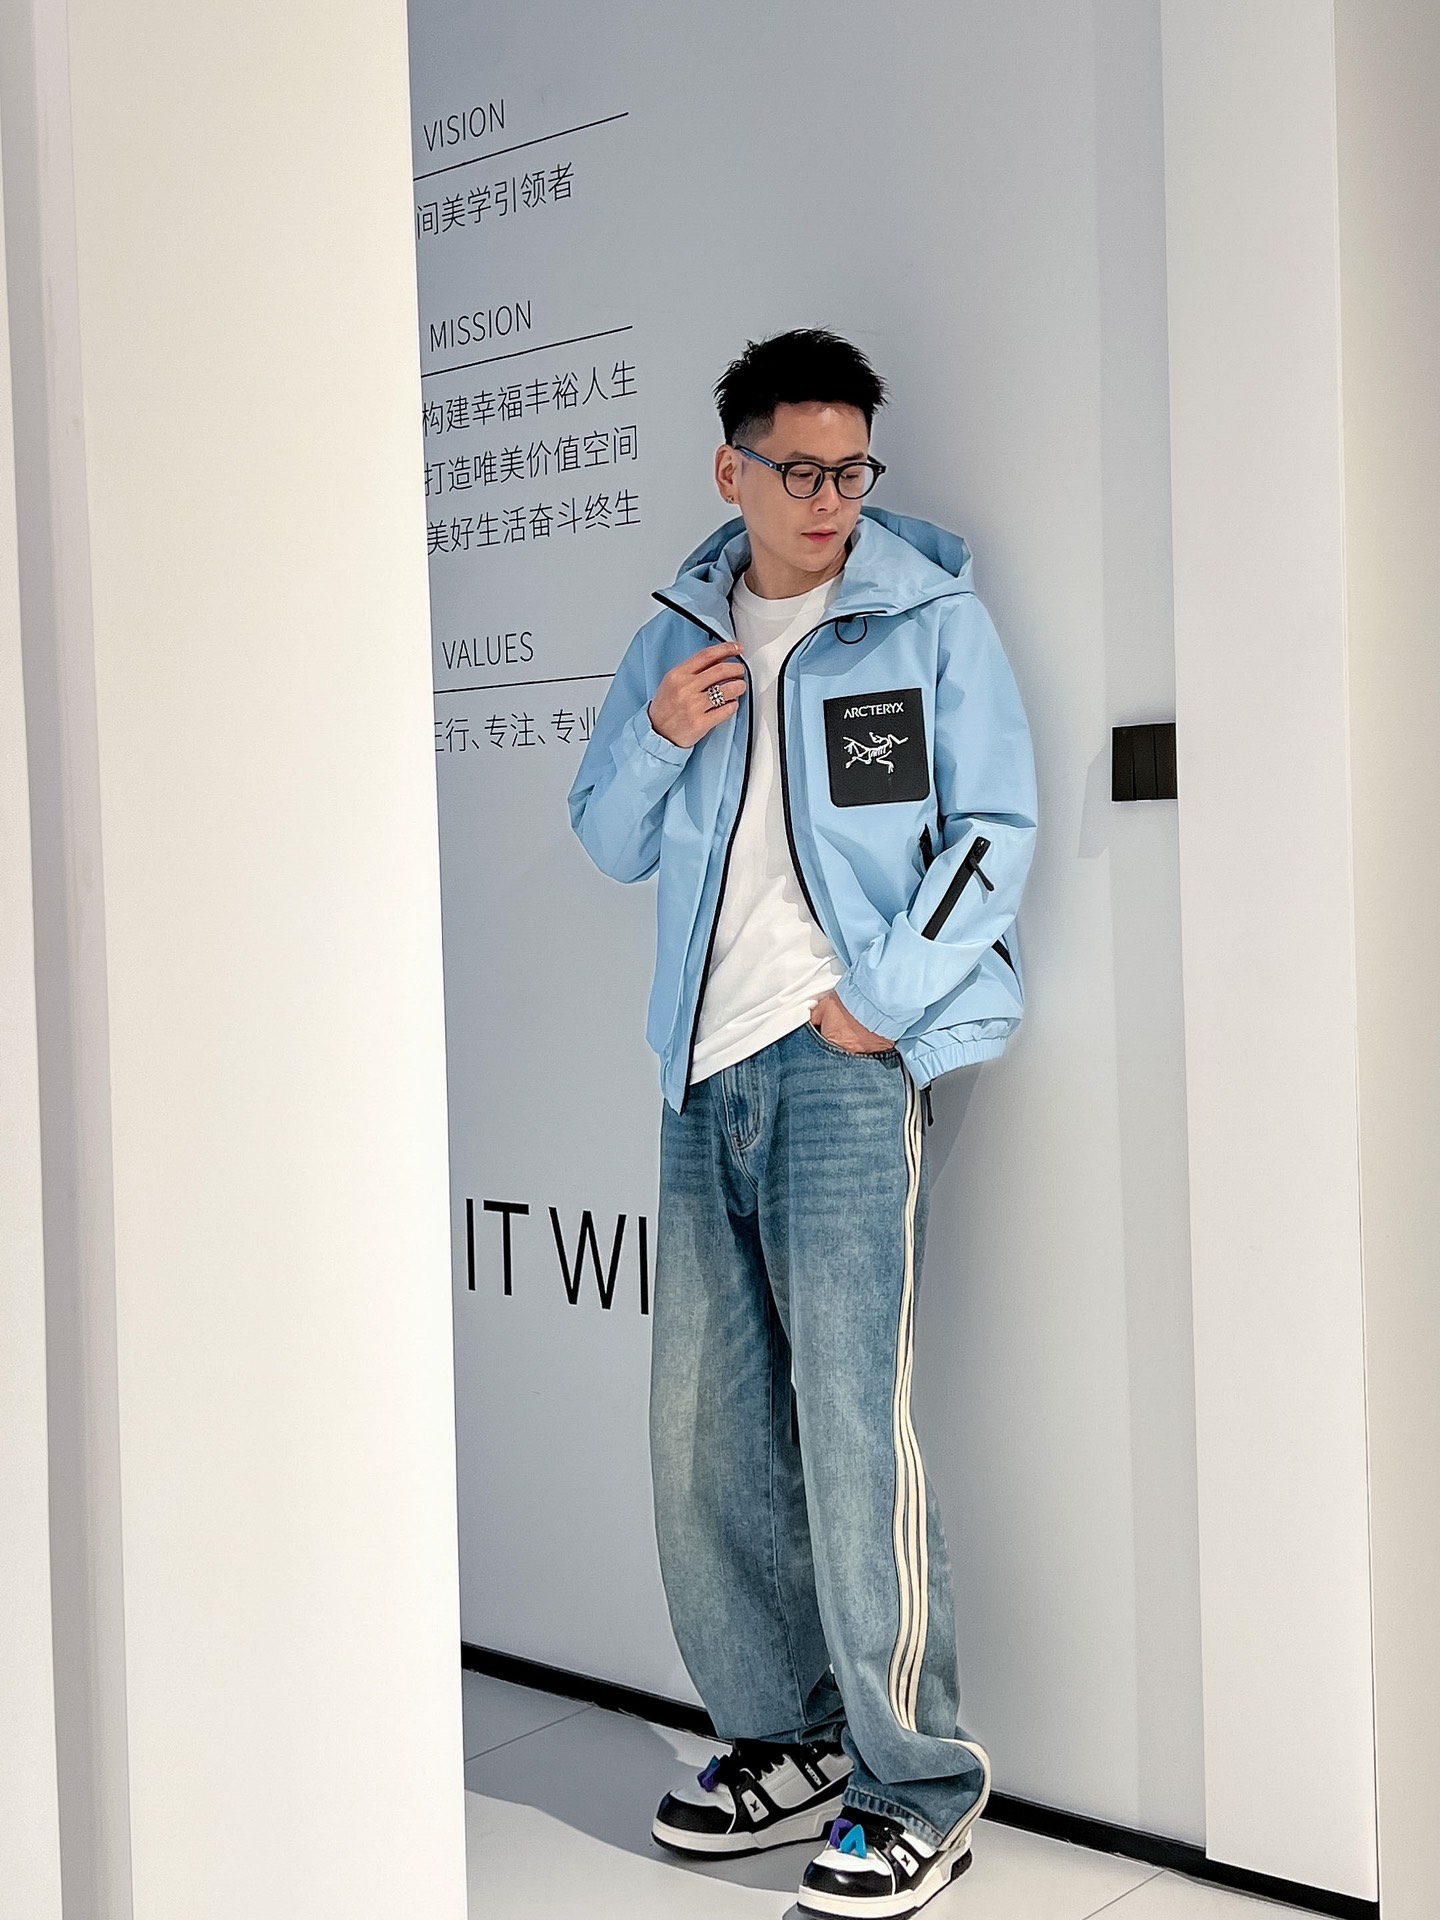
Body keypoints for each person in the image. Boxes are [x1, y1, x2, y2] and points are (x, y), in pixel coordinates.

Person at [568, 328, 1037, 1917]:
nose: (831, 498)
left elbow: (995, 830)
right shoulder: (679, 636)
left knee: (851, 1427)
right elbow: (605, 838)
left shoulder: (926, 618)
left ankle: (919, 1786)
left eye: (852, 469)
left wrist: (883, 1000)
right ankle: (785, 1739)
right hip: (702, 1074)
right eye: (802, 470)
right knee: (703, 1436)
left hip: (842, 1070)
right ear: (734, 470)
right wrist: (661, 735)